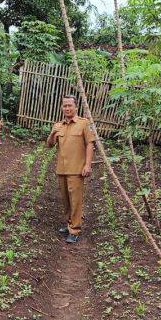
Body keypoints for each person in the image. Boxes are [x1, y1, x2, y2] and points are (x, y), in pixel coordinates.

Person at [46, 95, 95, 245]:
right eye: (64, 106)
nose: (67, 108)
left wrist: (87, 165)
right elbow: (49, 145)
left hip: (76, 169)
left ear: (76, 107)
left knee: (76, 200)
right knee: (65, 200)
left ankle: (75, 229)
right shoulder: (58, 125)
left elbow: (90, 144)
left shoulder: (84, 123)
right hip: (62, 169)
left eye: (70, 105)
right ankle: (68, 224)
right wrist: (53, 132)